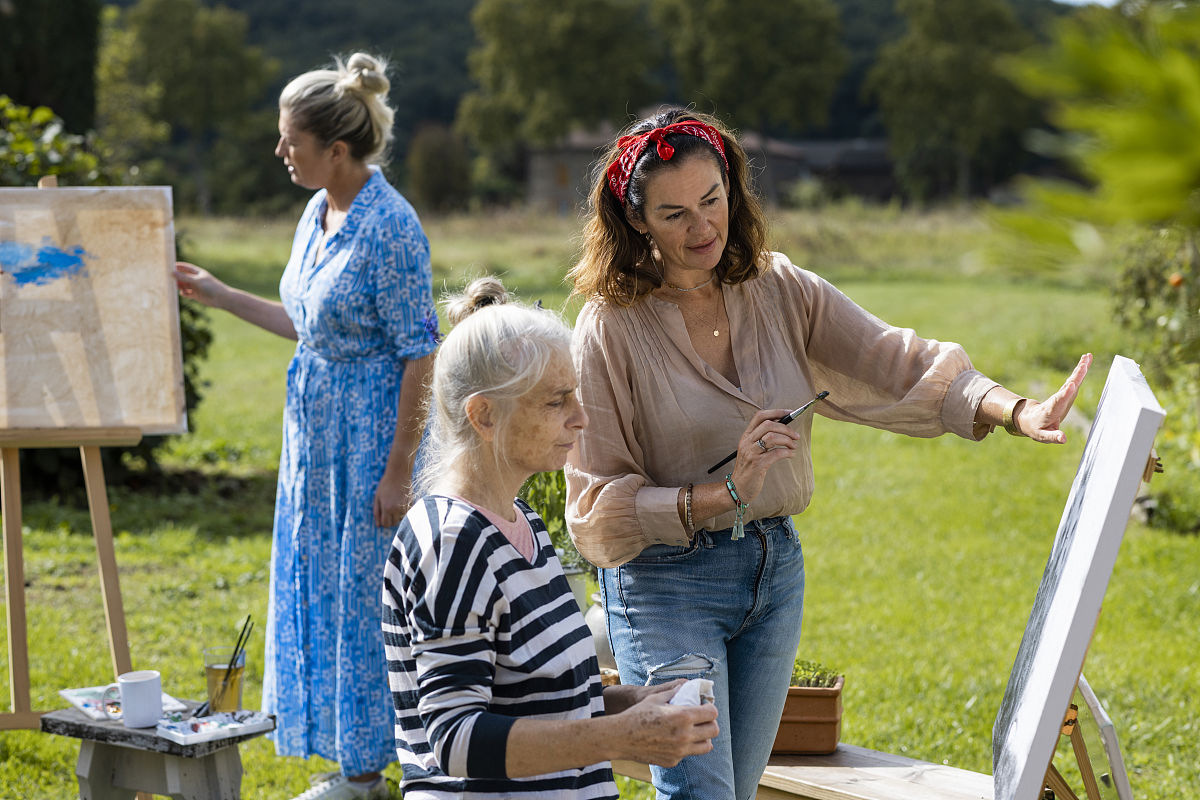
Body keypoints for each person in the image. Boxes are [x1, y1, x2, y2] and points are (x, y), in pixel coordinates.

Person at [564, 107, 1092, 800]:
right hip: (665, 587)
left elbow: (895, 361)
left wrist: (1014, 410)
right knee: (700, 794)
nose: (701, 229)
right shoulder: (609, 328)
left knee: (736, 790)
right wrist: (724, 492)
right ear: (636, 222)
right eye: (673, 214)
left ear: (733, 188)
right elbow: (595, 508)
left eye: (712, 201)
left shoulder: (779, 288)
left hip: (773, 573)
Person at [174, 53, 436, 800]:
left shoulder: (391, 227)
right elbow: (311, 322)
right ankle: (347, 757)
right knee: (320, 588)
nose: (280, 152)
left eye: (290, 140)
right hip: (313, 440)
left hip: (369, 441)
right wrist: (222, 295)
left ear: (338, 149)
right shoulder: (319, 211)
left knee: (366, 601)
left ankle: (369, 771)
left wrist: (397, 470)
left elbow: (421, 351)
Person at [382, 278, 720, 799]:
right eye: (556, 402)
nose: (580, 418)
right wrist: (617, 737)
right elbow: (456, 739)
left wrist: (632, 703)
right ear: (484, 415)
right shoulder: (452, 544)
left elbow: (535, 700)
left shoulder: (522, 524)